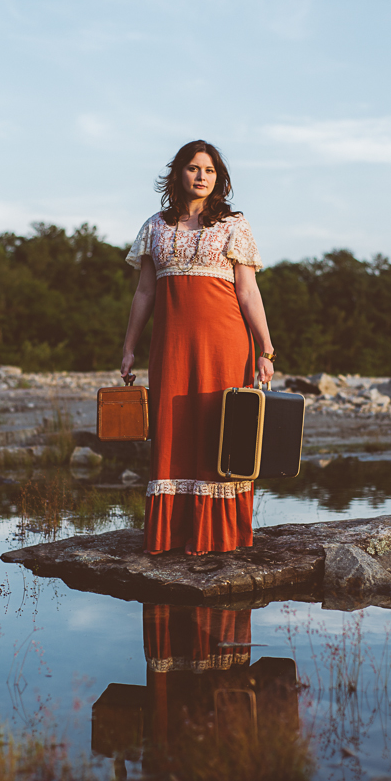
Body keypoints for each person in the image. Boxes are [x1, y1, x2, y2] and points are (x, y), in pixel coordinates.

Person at [122, 140, 275, 556]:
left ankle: (219, 536)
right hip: (170, 346)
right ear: (178, 174)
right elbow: (144, 293)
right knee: (173, 428)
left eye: (209, 170)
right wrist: (129, 347)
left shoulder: (233, 225)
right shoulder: (154, 226)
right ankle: (171, 535)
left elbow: (248, 292)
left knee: (221, 430)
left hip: (225, 344)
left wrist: (266, 348)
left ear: (218, 179)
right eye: (193, 168)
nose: (201, 176)